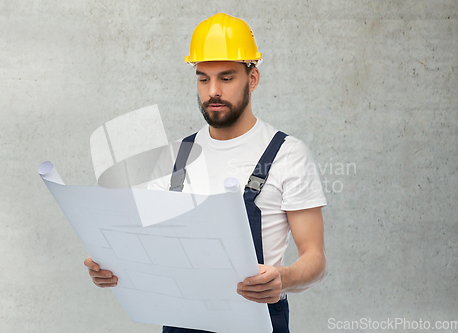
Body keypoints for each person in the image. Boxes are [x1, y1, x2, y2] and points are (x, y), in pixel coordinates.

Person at [84, 13, 327, 333]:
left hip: (257, 320)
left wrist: (283, 279)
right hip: (182, 321)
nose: (213, 91)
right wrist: (115, 269)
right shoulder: (175, 157)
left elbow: (315, 258)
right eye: (203, 78)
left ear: (252, 79)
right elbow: (149, 248)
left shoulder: (287, 154)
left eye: (226, 78)